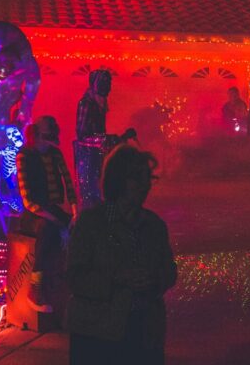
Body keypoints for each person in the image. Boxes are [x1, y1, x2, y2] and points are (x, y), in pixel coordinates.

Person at [67, 145, 177, 364]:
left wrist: (154, 279)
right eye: (137, 178)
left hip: (144, 332)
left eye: (148, 178)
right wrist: (116, 278)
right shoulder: (91, 223)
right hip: (97, 333)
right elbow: (74, 277)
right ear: (118, 181)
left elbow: (169, 270)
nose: (145, 186)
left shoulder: (154, 226)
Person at [16, 116, 77, 312]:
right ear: (36, 136)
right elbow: (28, 202)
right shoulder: (24, 156)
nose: (47, 144)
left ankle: (73, 284)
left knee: (81, 229)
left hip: (53, 209)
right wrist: (59, 223)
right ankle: (35, 288)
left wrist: (75, 213)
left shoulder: (55, 154)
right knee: (49, 228)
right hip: (34, 213)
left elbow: (68, 183)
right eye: (45, 138)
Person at [74, 69, 112, 210]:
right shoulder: (87, 103)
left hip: (96, 153)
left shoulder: (100, 103)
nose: (107, 86)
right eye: (103, 82)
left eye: (108, 82)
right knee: (89, 193)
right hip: (86, 155)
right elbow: (82, 135)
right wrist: (103, 139)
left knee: (97, 191)